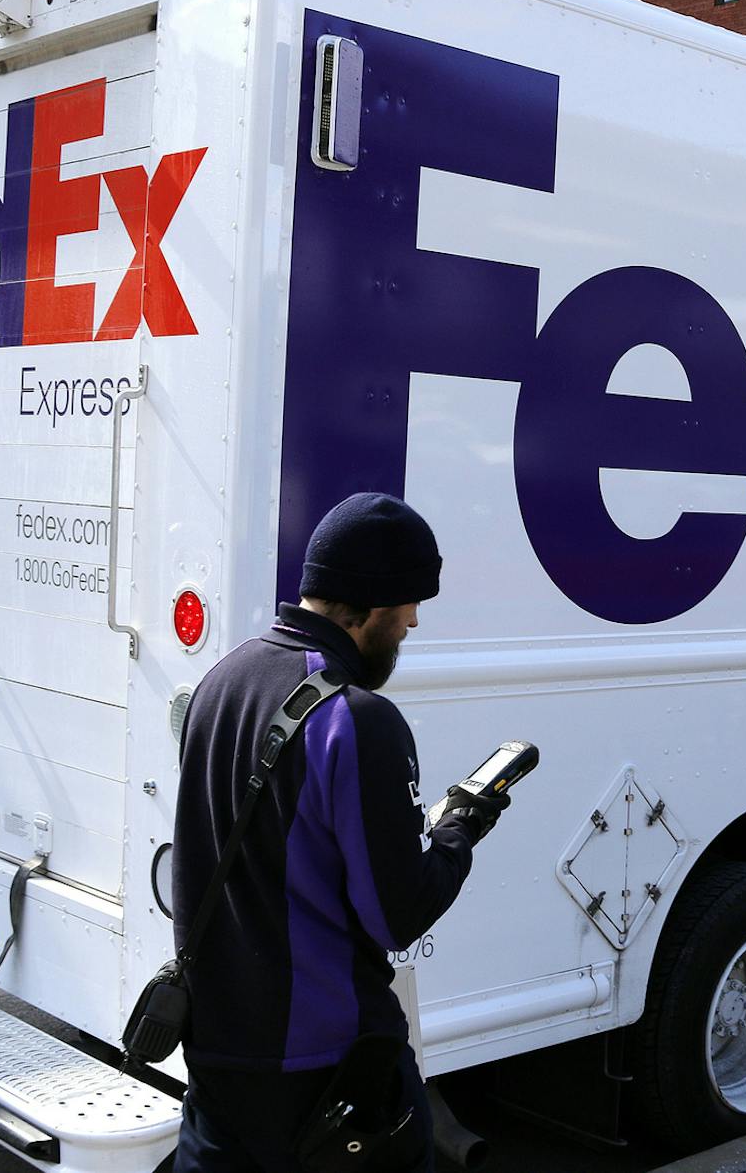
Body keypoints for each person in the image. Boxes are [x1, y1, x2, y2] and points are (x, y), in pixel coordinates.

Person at [170, 492, 510, 1173]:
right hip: (329, 1068)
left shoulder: (221, 679)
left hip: (216, 1055)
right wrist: (460, 833)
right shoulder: (358, 719)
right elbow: (395, 913)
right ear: (373, 606)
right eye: (411, 605)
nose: (414, 620)